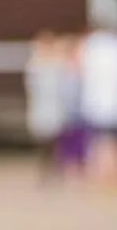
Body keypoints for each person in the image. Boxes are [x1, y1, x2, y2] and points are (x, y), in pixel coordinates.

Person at [75, 25, 117, 185]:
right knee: (114, 139)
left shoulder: (91, 45)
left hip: (97, 101)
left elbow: (79, 69)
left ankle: (104, 172)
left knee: (101, 139)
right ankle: (113, 171)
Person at [24, 33, 82, 182]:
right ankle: (50, 169)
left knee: (57, 139)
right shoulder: (36, 65)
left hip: (56, 107)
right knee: (46, 140)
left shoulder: (56, 64)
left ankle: (59, 168)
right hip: (45, 106)